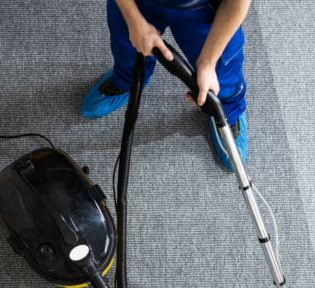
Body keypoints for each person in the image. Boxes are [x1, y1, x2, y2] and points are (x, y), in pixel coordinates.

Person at [81, 0, 250, 171]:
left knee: (223, 76)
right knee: (128, 49)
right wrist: (134, 20)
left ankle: (227, 109)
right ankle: (126, 81)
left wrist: (208, 61)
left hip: (205, 8)